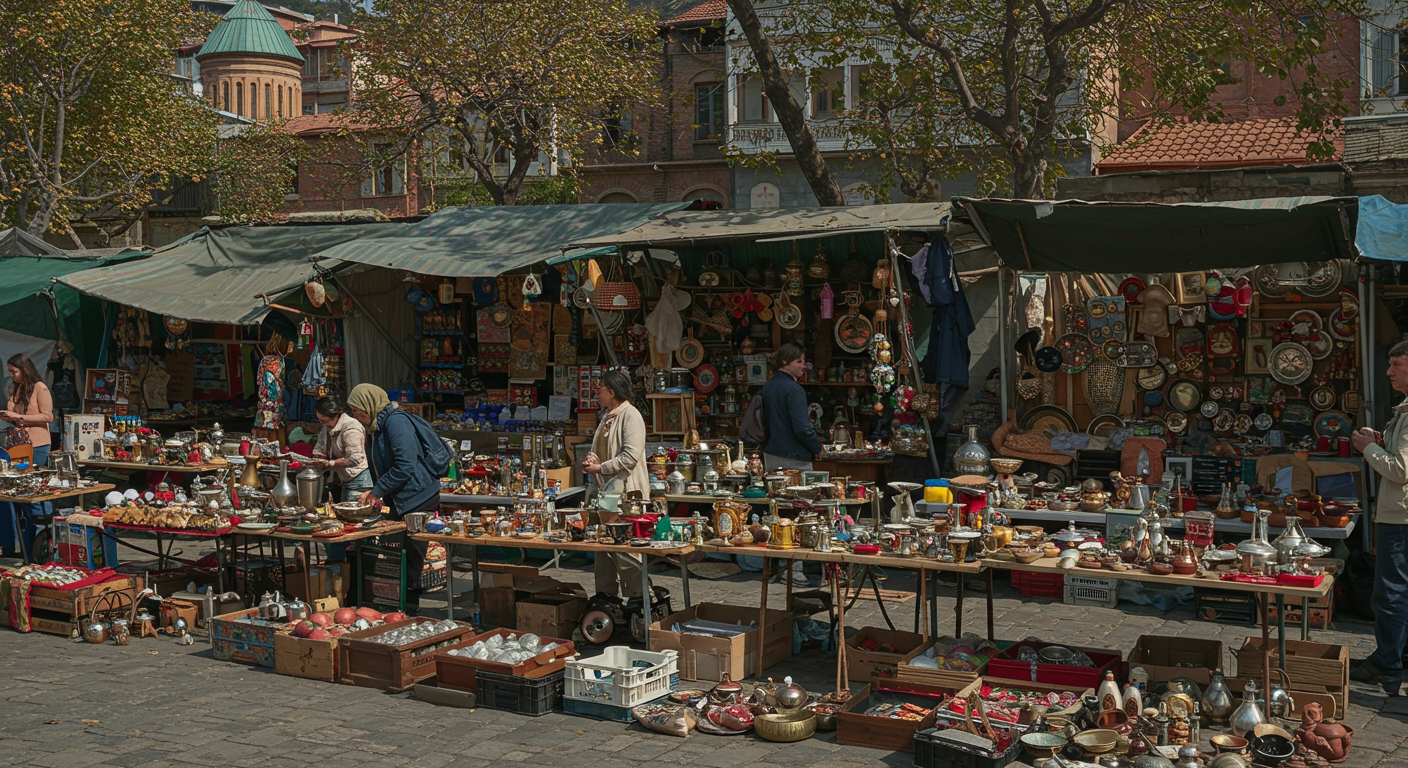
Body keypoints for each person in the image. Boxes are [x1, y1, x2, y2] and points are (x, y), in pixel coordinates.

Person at [346, 384, 441, 615]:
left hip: (418, 498)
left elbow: (405, 465)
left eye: (359, 411)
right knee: (397, 555)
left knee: (411, 556)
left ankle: (408, 612)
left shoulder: (395, 422)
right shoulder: (376, 426)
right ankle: (393, 608)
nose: (357, 416)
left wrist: (377, 491)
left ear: (370, 404)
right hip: (400, 498)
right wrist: (379, 493)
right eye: (354, 412)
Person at [1352, 339, 1408, 696]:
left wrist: (1368, 447)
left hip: (1401, 518)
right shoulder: (1403, 411)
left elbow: (1401, 470)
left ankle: (1388, 663)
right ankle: (1393, 656)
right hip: (1399, 514)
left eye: (1396, 365)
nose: (1388, 372)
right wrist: (1381, 444)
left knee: (1390, 594)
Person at [582, 369, 649, 599]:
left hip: (626, 497)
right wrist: (593, 460)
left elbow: (629, 457)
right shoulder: (606, 417)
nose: (597, 392)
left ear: (611, 392)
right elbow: (603, 451)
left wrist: (600, 468)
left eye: (600, 388)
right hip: (607, 496)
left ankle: (638, 602)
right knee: (604, 550)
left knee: (626, 553)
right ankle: (606, 601)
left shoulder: (631, 416)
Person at [2, 354, 54, 560]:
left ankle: (41, 537)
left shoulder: (40, 388)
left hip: (38, 445)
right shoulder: (16, 389)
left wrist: (20, 417)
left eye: (14, 371)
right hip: (19, 446)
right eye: (10, 371)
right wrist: (10, 413)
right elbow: (13, 413)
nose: (12, 375)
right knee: (18, 491)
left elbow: (48, 416)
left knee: (31, 488)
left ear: (25, 369)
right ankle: (26, 547)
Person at [760, 342, 823, 471]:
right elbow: (802, 428)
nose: (804, 366)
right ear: (785, 362)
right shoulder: (794, 389)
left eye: (804, 362)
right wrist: (817, 448)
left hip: (770, 453)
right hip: (793, 456)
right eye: (799, 361)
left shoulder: (768, 386)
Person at [312, 396, 371, 502]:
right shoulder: (326, 428)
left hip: (358, 481)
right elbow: (319, 447)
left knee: (352, 511)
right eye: (321, 421)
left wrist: (330, 463)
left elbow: (355, 458)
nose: (324, 424)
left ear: (338, 415)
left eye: (326, 421)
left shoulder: (352, 427)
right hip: (341, 479)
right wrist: (318, 457)